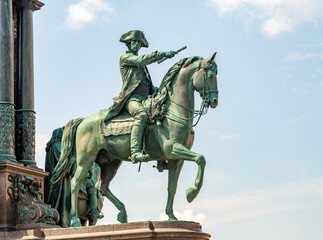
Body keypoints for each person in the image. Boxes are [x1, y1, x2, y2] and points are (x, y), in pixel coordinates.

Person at [101, 30, 176, 163]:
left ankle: (161, 154)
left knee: (161, 115)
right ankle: (135, 151)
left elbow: (148, 85)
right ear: (129, 44)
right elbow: (141, 60)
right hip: (132, 99)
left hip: (145, 99)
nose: (136, 44)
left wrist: (162, 90)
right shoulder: (126, 58)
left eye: (138, 42)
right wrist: (162, 54)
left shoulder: (143, 68)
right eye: (133, 42)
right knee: (141, 115)